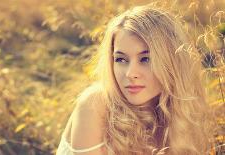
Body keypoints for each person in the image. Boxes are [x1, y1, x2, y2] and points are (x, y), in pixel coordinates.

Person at [56, 4, 216, 155]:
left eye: (145, 59)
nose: (130, 74)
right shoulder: (95, 104)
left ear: (171, 62)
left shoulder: (183, 114)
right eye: (121, 59)